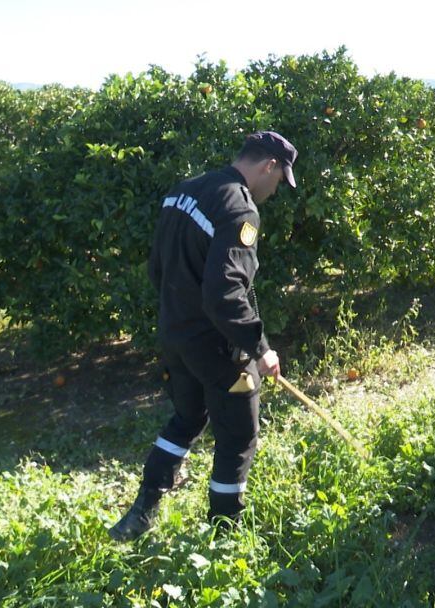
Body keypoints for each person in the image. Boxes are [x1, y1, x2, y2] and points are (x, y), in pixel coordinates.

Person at [109, 131, 298, 541]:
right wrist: (260, 350)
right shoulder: (239, 208)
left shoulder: (185, 190)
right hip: (215, 348)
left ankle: (140, 513)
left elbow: (157, 268)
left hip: (175, 334)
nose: (275, 190)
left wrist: (180, 316)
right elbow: (225, 293)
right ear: (269, 166)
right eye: (280, 179)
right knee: (238, 436)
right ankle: (225, 536)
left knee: (188, 418)